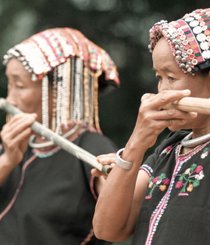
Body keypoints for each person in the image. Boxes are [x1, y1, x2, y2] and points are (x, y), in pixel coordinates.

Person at [92, 8, 210, 245]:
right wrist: (135, 145)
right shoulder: (169, 150)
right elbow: (108, 229)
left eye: (171, 78)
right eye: (158, 77)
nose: (161, 91)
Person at [0, 27, 120, 245]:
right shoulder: (13, 143)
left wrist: (119, 180)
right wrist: (7, 161)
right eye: (9, 85)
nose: (10, 99)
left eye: (19, 86)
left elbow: (118, 220)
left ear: (59, 89)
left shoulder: (93, 146)